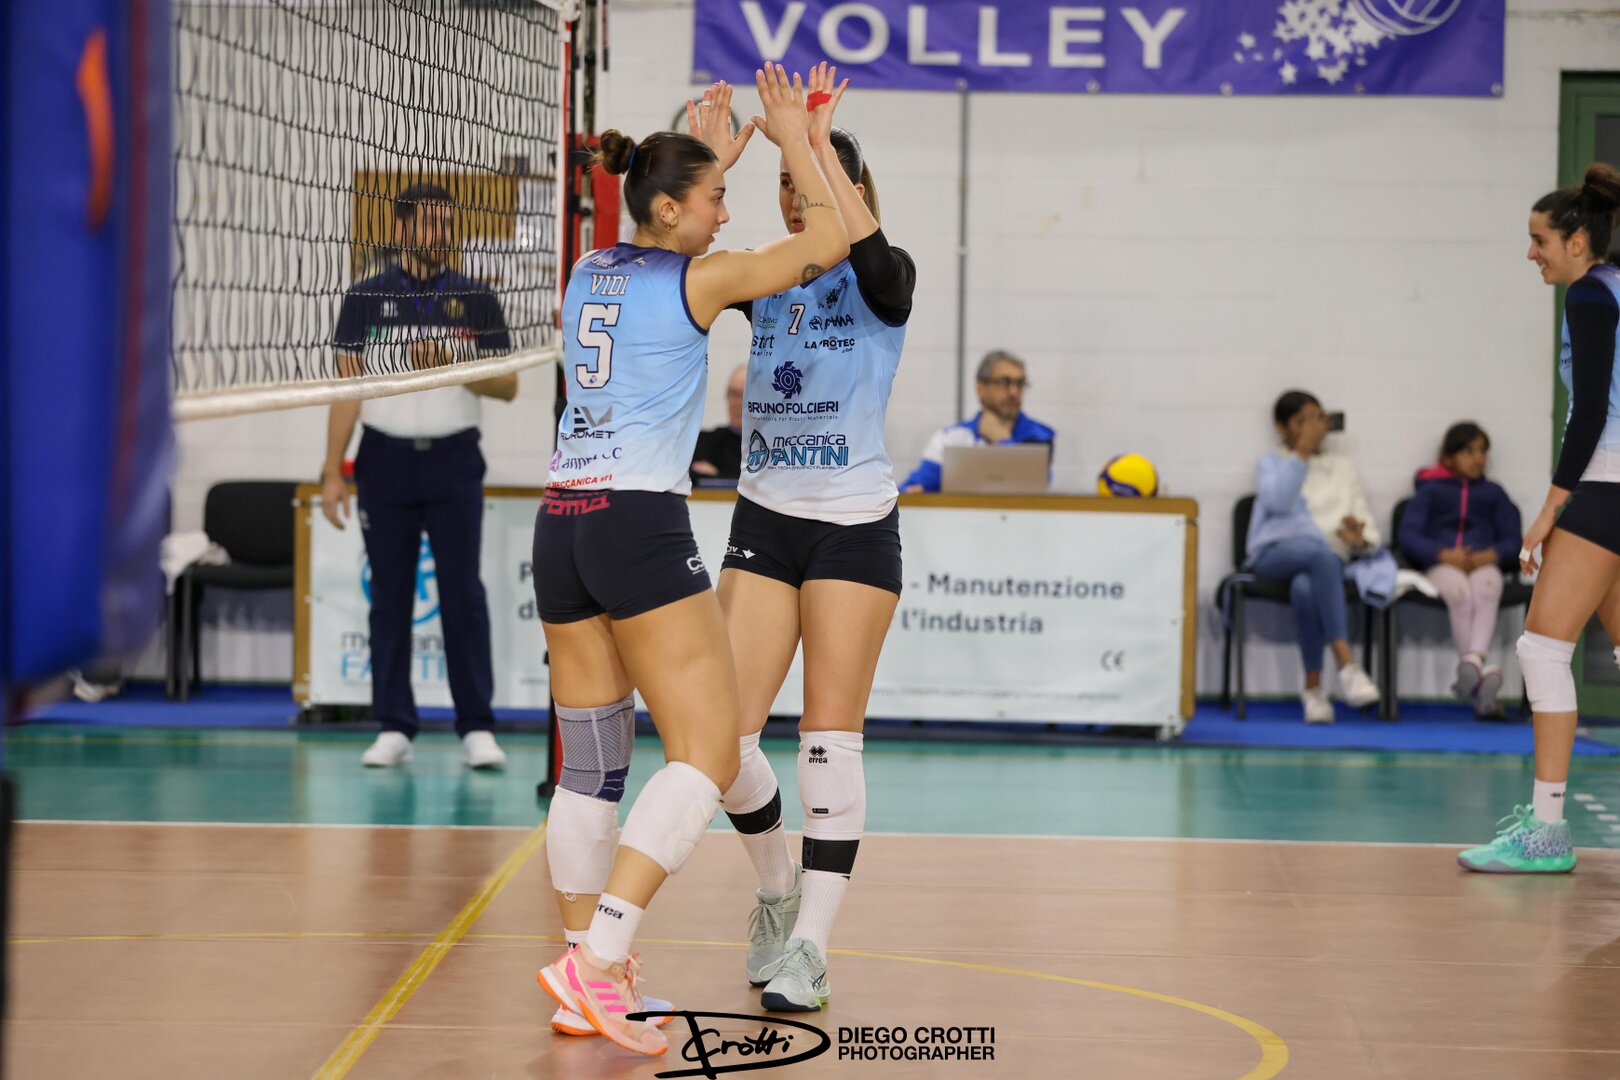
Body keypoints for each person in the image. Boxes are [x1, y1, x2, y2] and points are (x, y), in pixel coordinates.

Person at [533, 67, 849, 1056]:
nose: (726, 212)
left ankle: (585, 974)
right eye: (714, 197)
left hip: (562, 519)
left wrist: (710, 154)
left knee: (590, 768)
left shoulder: (591, 267)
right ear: (670, 208)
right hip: (637, 525)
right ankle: (597, 963)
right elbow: (829, 244)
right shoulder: (698, 279)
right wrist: (796, 139)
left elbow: (663, 223)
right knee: (708, 755)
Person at [698, 63, 915, 1014]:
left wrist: (814, 143)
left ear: (851, 188)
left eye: (812, 182)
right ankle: (778, 888)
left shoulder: (884, 278)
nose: (794, 198)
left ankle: (813, 948)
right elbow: (677, 271)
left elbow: (877, 266)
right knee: (723, 738)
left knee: (828, 741)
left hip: (853, 529)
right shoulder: (767, 275)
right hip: (766, 520)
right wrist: (709, 163)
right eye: (784, 184)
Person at [321, 183, 518, 770]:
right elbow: (347, 388)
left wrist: (455, 364)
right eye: (431, 223)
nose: (441, 233)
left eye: (447, 223)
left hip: (454, 460)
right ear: (402, 228)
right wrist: (331, 470)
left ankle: (476, 726)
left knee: (463, 595)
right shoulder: (365, 296)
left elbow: (507, 386)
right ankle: (393, 726)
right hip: (384, 461)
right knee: (388, 597)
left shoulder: (477, 296)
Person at [1459, 164, 1620, 874]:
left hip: (1606, 485)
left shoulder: (1589, 294)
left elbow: (1588, 415)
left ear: (1578, 241)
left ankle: (1546, 834)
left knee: (1542, 650)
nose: (1532, 253)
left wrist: (1551, 510)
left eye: (1540, 240)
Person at [1245, 390, 1381, 723]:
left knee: (1306, 587)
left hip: (1326, 560)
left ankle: (1314, 691)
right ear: (1283, 427)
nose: (1313, 426)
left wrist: (1359, 539)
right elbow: (1277, 502)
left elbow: (1369, 531)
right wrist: (1301, 453)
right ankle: (1347, 663)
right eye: (1302, 420)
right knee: (1322, 556)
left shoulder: (1343, 468)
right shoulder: (1272, 463)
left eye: (1317, 418)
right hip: (1275, 553)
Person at [1396, 422, 1522, 718]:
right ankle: (1481, 686)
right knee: (1460, 593)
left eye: (1482, 451)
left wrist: (1490, 555)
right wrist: (1442, 554)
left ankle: (1473, 661)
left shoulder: (1494, 493)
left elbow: (1514, 540)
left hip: (1483, 564)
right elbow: (1408, 535)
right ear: (1449, 457)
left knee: (1487, 588)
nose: (1478, 458)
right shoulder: (1430, 491)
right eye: (1469, 451)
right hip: (1443, 566)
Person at [901, 350, 1054, 492]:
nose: (1014, 392)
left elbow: (1035, 487)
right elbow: (914, 487)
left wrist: (1002, 440)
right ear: (980, 387)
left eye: (1020, 383)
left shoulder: (1040, 436)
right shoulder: (951, 438)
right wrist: (916, 492)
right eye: (1004, 382)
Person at [691, 364, 746, 481]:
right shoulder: (704, 442)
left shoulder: (773, 446)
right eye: (734, 394)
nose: (739, 403)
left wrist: (717, 476)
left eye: (746, 395)